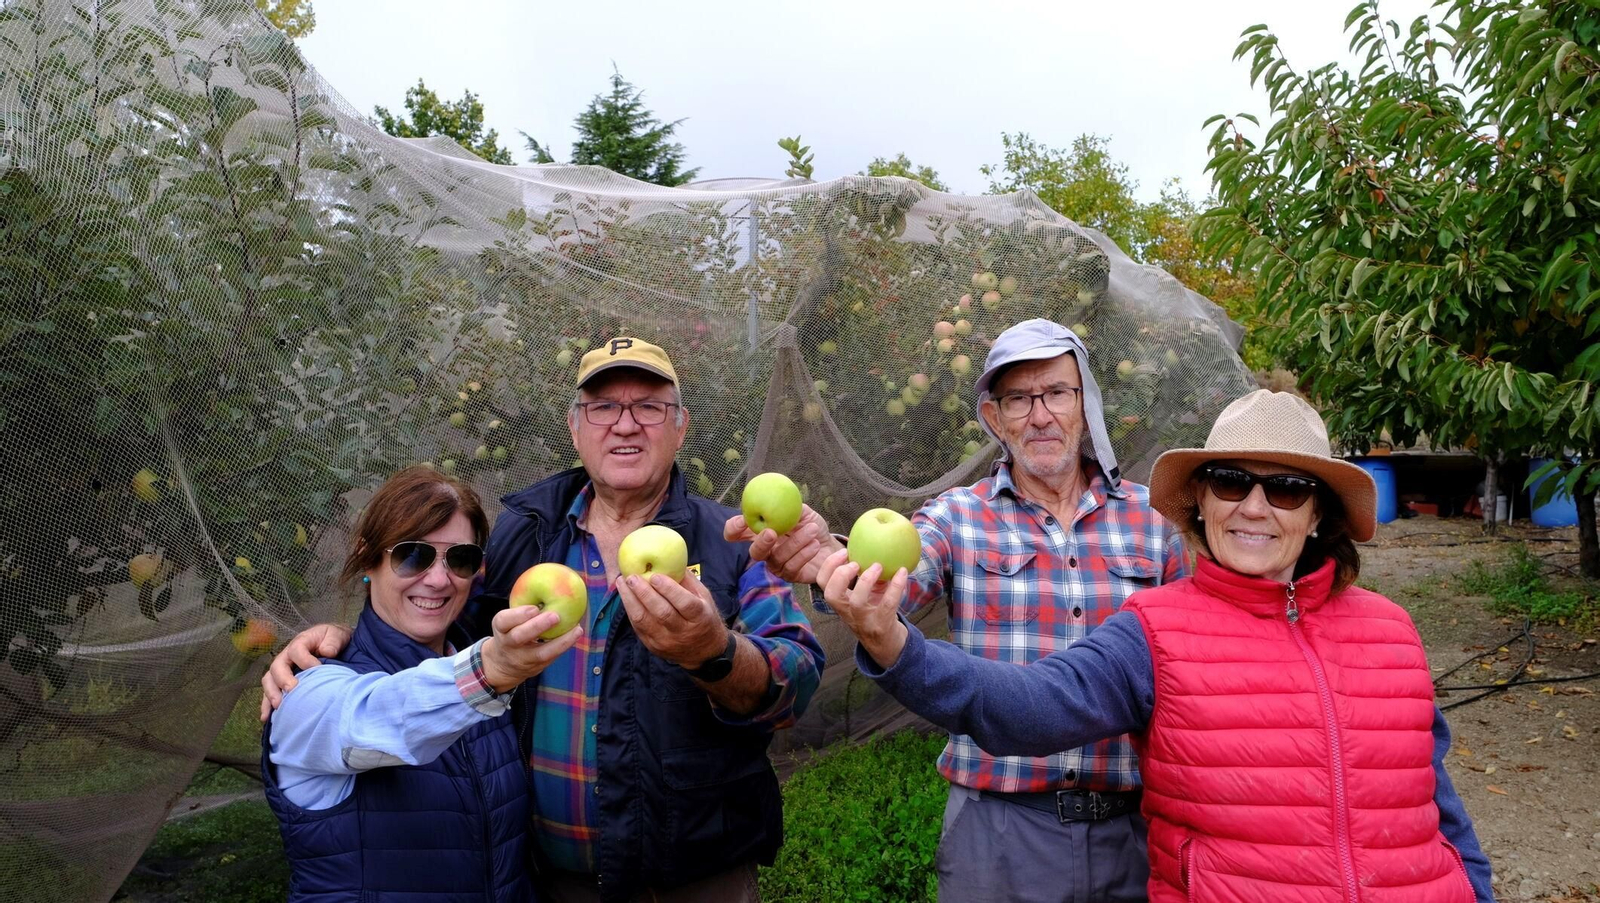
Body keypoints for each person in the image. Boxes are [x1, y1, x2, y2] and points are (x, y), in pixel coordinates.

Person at [819, 389, 1497, 903]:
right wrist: (894, 641)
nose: (1255, 507)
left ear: (1317, 511)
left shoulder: (1390, 629)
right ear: (1201, 499)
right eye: (1232, 481)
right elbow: (1025, 706)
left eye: (1286, 488)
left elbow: (1434, 803)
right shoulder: (1156, 631)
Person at [262, 337, 825, 903]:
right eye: (603, 407)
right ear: (575, 428)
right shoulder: (525, 535)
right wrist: (339, 639)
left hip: (692, 879)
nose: (624, 425)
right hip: (549, 882)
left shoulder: (734, 544)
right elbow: (438, 613)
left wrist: (714, 653)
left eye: (648, 407)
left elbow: (794, 684)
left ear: (680, 426)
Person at [728, 318, 1186, 902]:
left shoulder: (1157, 523)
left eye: (1056, 393)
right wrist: (830, 559)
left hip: (1133, 831)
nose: (1039, 414)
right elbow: (894, 580)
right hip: (998, 832)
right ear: (994, 419)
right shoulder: (956, 518)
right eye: (1018, 399)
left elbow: (1187, 669)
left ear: (1085, 402)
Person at [263, 466, 583, 903]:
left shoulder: (481, 671)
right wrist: (491, 672)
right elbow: (379, 718)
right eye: (412, 556)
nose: (437, 578)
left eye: (460, 559)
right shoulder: (307, 690)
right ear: (367, 558)